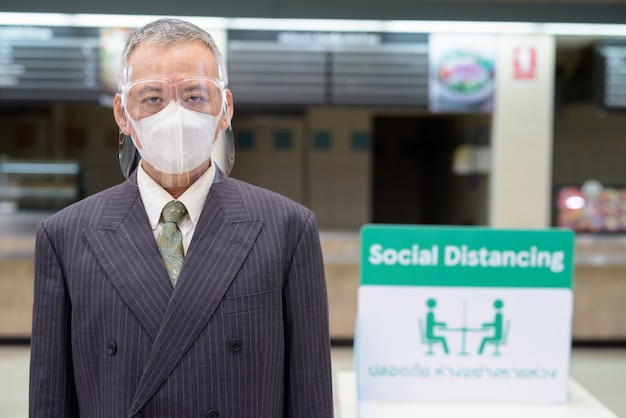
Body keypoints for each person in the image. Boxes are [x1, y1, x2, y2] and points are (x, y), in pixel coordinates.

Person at [29, 18, 334, 417]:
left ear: (225, 109)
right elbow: (52, 400)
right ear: (122, 114)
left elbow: (310, 394)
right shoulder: (65, 236)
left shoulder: (288, 229)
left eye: (194, 96)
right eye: (152, 98)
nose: (175, 115)